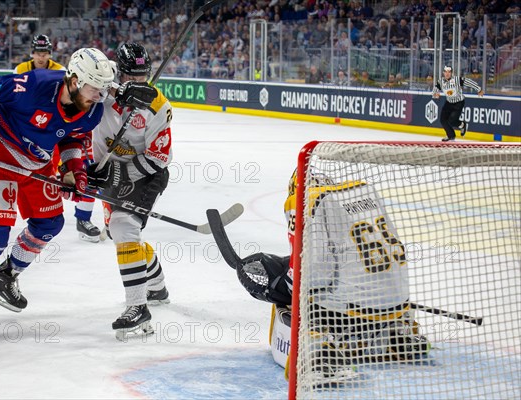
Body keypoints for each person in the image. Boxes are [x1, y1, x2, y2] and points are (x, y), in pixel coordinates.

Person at [0, 48, 155, 344]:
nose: (100, 96)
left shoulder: (92, 107)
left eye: (104, 89)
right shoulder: (33, 85)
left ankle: (7, 274)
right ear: (76, 80)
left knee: (50, 222)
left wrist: (72, 170)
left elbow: (73, 137)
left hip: (37, 160)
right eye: (95, 88)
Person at [213, 169, 430, 384]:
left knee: (288, 293)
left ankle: (320, 352)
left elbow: (316, 267)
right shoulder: (360, 191)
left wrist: (276, 286)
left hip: (349, 311)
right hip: (398, 305)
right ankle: (399, 335)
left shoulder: (304, 201)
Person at [86, 43, 170, 340]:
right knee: (119, 233)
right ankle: (156, 284)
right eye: (130, 76)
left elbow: (160, 157)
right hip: (107, 172)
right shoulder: (101, 88)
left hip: (145, 174)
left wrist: (122, 173)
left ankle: (138, 307)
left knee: (123, 228)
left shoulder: (158, 106)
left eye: (143, 76)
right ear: (117, 73)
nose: (138, 82)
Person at [15, 35, 102, 242]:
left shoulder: (61, 71)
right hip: (28, 130)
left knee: (80, 168)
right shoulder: (21, 70)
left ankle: (80, 218)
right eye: (38, 52)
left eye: (44, 52)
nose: (41, 56)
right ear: (32, 52)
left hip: (57, 129)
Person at [432, 65, 484, 141]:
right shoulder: (441, 81)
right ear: (443, 73)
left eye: (449, 72)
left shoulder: (456, 79)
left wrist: (479, 89)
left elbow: (468, 82)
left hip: (458, 103)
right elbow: (436, 88)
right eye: (446, 72)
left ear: (451, 73)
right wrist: (435, 93)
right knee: (442, 120)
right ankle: (451, 136)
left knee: (452, 121)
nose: (447, 73)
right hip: (448, 102)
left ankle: (463, 125)